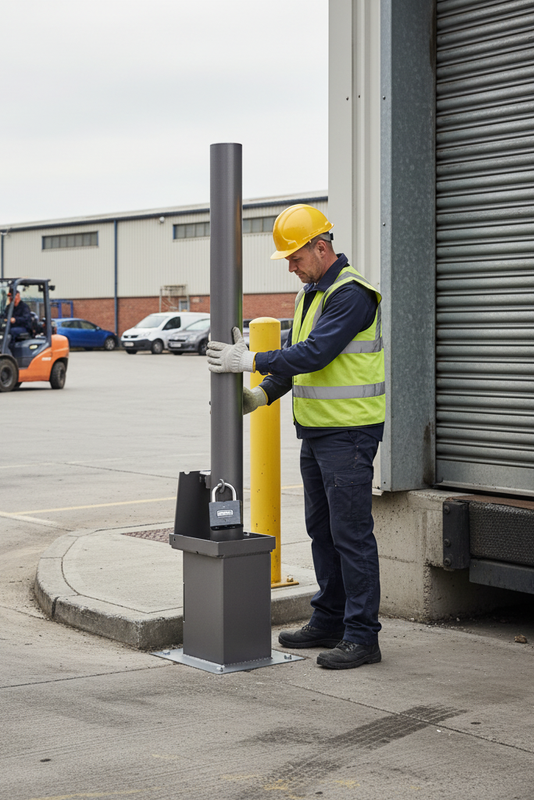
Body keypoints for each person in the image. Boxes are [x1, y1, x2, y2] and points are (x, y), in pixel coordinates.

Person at [206, 204, 385, 670]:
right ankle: (329, 620)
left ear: (320, 247)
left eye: (294, 256)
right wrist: (261, 394)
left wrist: (249, 362)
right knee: (322, 532)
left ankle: (363, 636)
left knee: (351, 535)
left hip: (349, 434)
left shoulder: (352, 294)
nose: (290, 266)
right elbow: (294, 359)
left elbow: (316, 354)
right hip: (320, 434)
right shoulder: (312, 294)